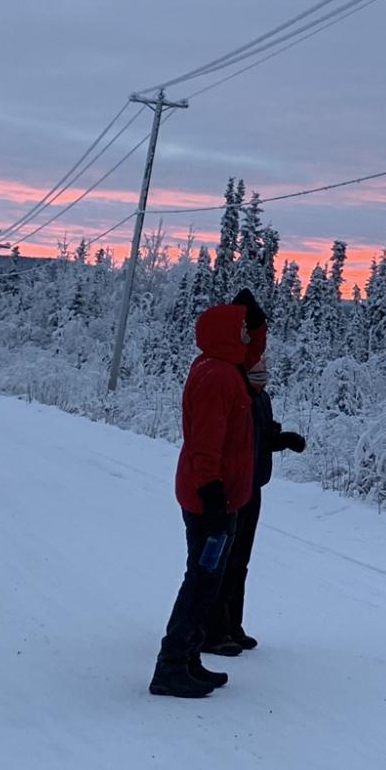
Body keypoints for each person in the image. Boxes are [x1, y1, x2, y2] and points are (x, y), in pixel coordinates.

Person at [149, 293, 262, 699]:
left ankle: (188, 658)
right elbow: (207, 443)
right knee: (200, 581)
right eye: (243, 329)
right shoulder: (217, 376)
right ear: (226, 334)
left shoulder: (222, 368)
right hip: (210, 500)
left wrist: (259, 325)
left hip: (218, 497)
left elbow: (253, 361)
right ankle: (171, 667)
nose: (249, 335)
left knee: (207, 582)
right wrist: (213, 492)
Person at [206, 290, 306, 657]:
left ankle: (232, 623)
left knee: (240, 560)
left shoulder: (257, 388)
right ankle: (213, 629)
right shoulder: (230, 378)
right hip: (230, 486)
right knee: (223, 559)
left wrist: (282, 440)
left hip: (252, 484)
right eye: (251, 331)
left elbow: (256, 435)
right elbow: (223, 437)